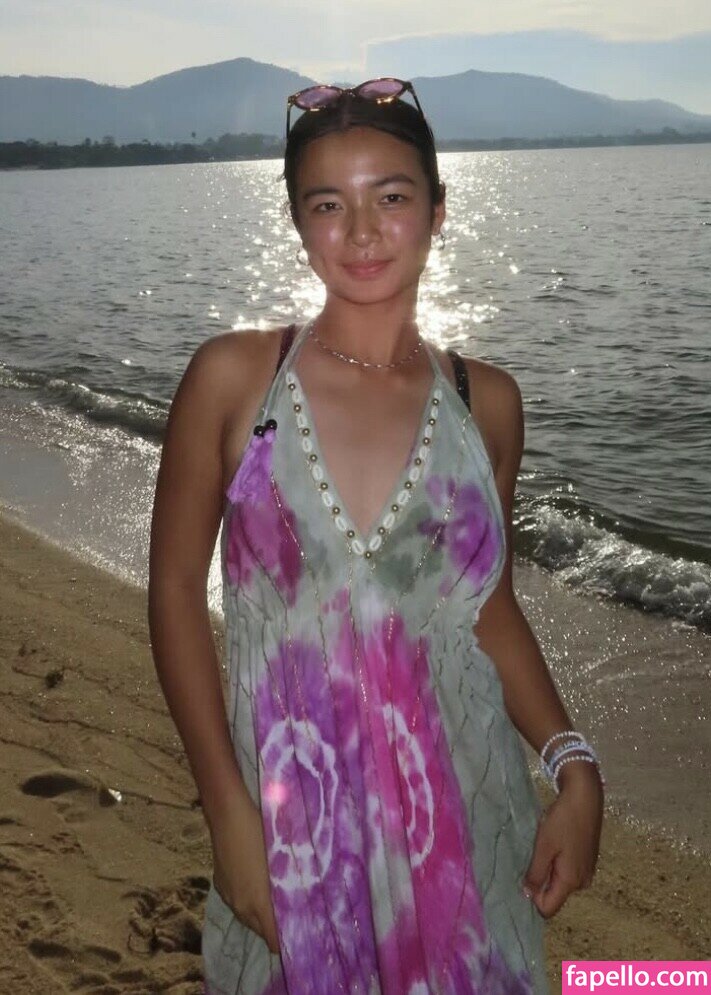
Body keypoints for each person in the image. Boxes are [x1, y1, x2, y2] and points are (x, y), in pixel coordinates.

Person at [147, 78, 605, 995]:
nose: (360, 231)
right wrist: (228, 813)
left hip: (460, 826)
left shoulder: (485, 403)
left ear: (438, 209)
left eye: (390, 196)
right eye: (328, 204)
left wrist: (572, 764)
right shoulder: (236, 381)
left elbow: (488, 610)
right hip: (295, 828)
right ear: (297, 222)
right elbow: (173, 595)